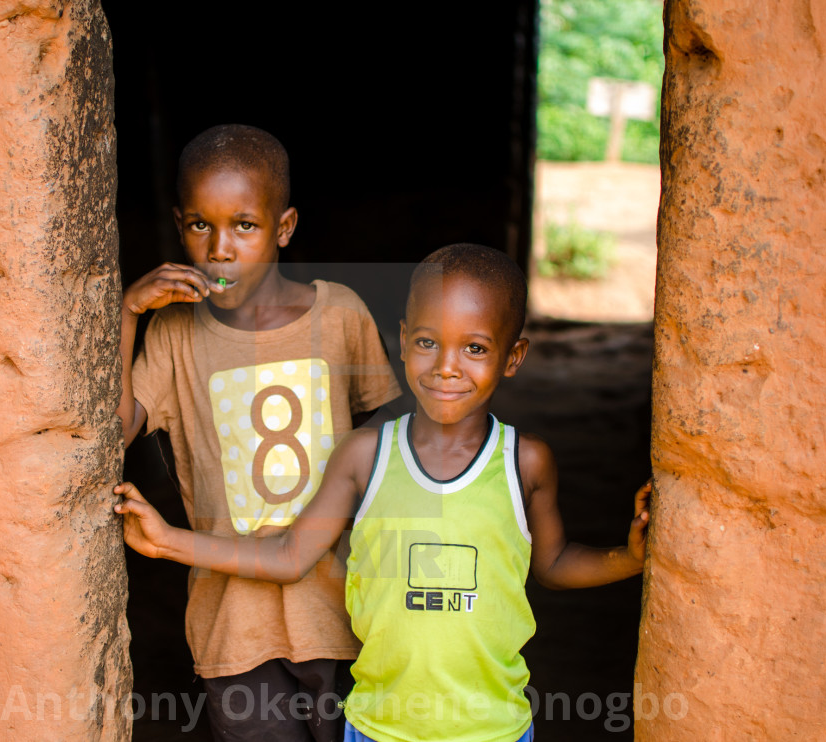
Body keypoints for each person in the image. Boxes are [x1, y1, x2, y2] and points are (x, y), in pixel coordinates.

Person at [116, 243, 651, 742]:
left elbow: (552, 563)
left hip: (496, 729)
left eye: (474, 348)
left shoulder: (525, 461)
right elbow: (289, 555)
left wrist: (628, 558)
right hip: (377, 728)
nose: (446, 366)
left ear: (513, 357)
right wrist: (168, 542)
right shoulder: (363, 456)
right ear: (401, 341)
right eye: (427, 342)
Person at [117, 124, 402, 742]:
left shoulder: (341, 314)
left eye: (244, 225)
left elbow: (387, 446)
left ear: (285, 226)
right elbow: (113, 434)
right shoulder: (173, 336)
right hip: (233, 625)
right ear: (179, 225)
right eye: (200, 225)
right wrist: (127, 313)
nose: (220, 248)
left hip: (346, 612)